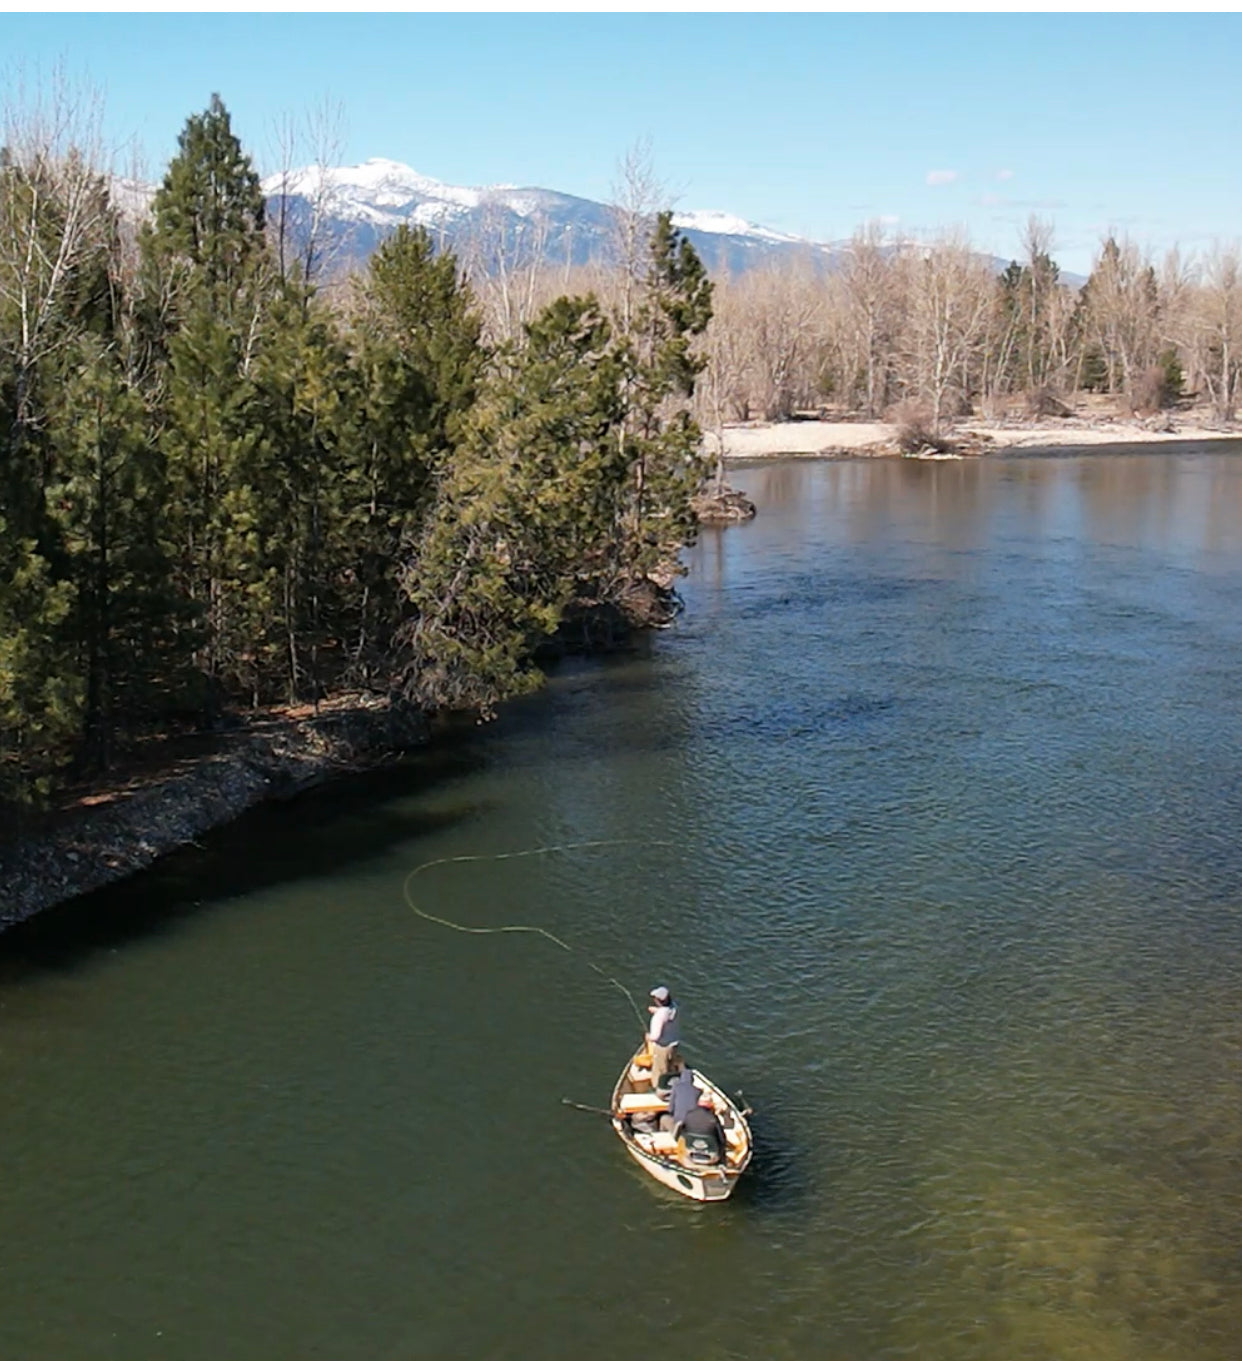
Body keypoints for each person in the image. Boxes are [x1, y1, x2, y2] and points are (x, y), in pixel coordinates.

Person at [646, 985, 681, 1093]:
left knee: (659, 1071)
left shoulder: (659, 1017)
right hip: (674, 1045)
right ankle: (672, 1086)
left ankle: (658, 1090)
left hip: (663, 1048)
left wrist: (649, 1037)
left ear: (658, 1000)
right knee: (670, 1067)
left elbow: (655, 1036)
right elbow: (667, 1013)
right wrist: (657, 1010)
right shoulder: (674, 1007)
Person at [662, 1067, 702, 1136]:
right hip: (691, 1122)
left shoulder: (676, 1087)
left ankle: (664, 1136)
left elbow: (670, 1108)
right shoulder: (698, 1091)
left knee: (663, 1118)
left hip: (678, 1121)